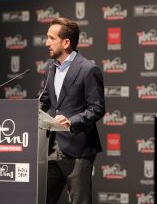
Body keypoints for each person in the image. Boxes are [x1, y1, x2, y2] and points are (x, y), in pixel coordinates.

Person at [38, 17, 105, 204]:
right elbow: (44, 100)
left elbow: (97, 108)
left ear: (66, 42)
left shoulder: (88, 69)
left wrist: (72, 122)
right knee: (41, 199)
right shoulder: (51, 69)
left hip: (78, 150)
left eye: (51, 38)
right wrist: (28, 111)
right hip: (52, 149)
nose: (46, 43)